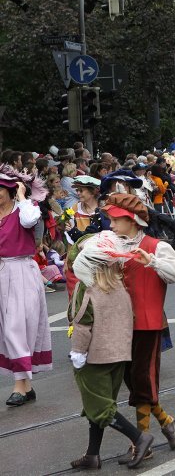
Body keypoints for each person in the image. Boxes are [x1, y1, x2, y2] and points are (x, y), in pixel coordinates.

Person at [100, 193, 175, 463]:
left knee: (142, 378)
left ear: (133, 221)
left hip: (148, 324)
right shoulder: (109, 244)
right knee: (132, 380)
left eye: (116, 220)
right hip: (118, 323)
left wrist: (151, 262)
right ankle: (166, 420)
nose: (111, 225)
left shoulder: (155, 246)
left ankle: (141, 443)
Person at [67, 231, 155, 470]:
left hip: (94, 357)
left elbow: (83, 323)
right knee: (100, 404)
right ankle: (92, 455)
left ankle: (140, 438)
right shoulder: (119, 286)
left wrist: (78, 353)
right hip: (119, 355)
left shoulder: (86, 288)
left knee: (101, 408)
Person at [0, 165, 52, 406]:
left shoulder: (24, 210)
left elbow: (31, 219)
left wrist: (22, 196)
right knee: (7, 329)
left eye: (1, 188)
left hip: (22, 271)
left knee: (16, 326)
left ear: (11, 190)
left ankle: (20, 386)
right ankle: (25, 386)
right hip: (2, 272)